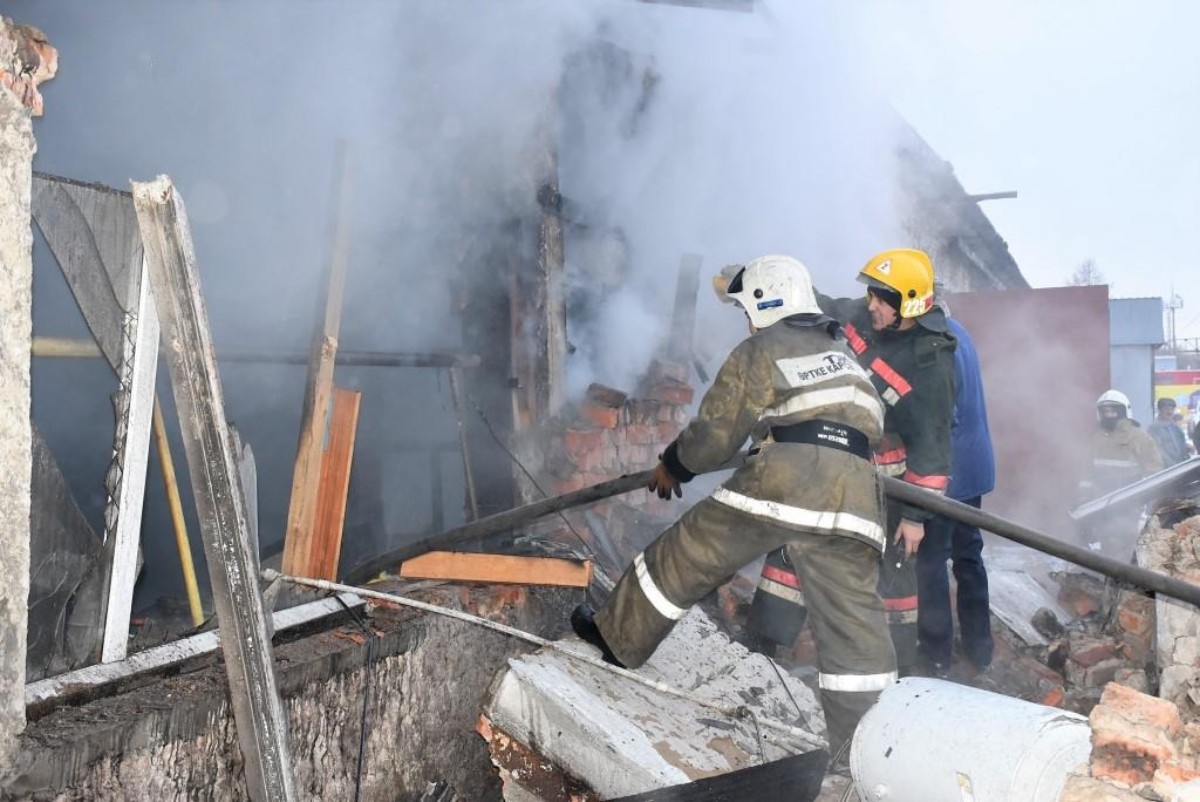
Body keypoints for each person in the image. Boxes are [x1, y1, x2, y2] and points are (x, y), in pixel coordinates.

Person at [571, 254, 896, 754]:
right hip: (858, 491)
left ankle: (616, 640)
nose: (746, 320)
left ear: (769, 303)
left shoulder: (762, 348)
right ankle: (873, 751)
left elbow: (716, 434)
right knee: (854, 626)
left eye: (748, 308)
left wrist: (675, 465)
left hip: (792, 477)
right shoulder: (843, 356)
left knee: (688, 551)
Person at [744, 248, 957, 677]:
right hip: (832, 463)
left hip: (888, 489)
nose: (871, 304)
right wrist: (757, 284)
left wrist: (915, 516)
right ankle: (762, 648)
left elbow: (933, 448)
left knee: (891, 576)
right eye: (872, 295)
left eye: (881, 299)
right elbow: (820, 305)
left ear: (909, 304)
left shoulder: (930, 364)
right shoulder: (864, 315)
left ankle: (895, 671)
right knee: (795, 544)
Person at [916, 315, 994, 678]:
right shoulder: (960, 329)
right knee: (968, 557)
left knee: (930, 561)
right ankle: (980, 651)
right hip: (973, 467)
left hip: (947, 473)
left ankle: (935, 657)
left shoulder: (936, 344)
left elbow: (945, 417)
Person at [1077, 390, 1163, 556]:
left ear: (1124, 411)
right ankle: (1109, 578)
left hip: (1130, 503)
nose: (1109, 415)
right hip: (1101, 501)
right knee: (1106, 542)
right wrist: (1083, 498)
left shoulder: (1140, 438)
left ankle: (1126, 577)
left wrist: (1146, 501)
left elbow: (1154, 472)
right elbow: (1086, 473)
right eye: (1104, 411)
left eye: (1113, 410)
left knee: (1128, 543)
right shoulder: (1095, 439)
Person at [1147, 397, 1189, 466]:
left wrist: (1187, 447)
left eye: (1172, 409)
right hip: (1167, 470)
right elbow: (1158, 450)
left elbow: (1179, 444)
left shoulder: (1175, 427)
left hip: (1181, 466)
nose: (1170, 412)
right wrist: (1172, 466)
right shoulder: (1153, 429)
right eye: (1166, 409)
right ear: (1160, 410)